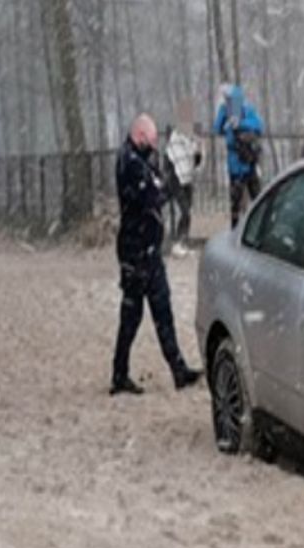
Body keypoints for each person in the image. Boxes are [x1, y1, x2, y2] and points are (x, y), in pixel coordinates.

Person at [110, 114, 203, 396]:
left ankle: (176, 370)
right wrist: (171, 184)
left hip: (146, 250)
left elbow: (159, 184)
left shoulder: (139, 158)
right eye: (151, 142)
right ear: (139, 136)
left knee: (158, 310)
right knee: (135, 314)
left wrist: (176, 174)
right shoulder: (130, 162)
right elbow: (153, 196)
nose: (153, 147)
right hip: (136, 251)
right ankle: (121, 374)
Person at [213, 84, 264, 228]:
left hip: (240, 163)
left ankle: (238, 228)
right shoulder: (242, 109)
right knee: (254, 198)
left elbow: (217, 129)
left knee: (238, 201)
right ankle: (255, 226)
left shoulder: (242, 110)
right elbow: (217, 128)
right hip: (245, 162)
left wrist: (238, 124)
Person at [162, 123, 202, 255]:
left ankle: (182, 240)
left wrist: (197, 152)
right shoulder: (174, 144)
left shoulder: (193, 143)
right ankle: (177, 241)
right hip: (175, 179)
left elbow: (196, 162)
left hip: (187, 179)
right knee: (184, 211)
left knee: (187, 212)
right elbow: (167, 163)